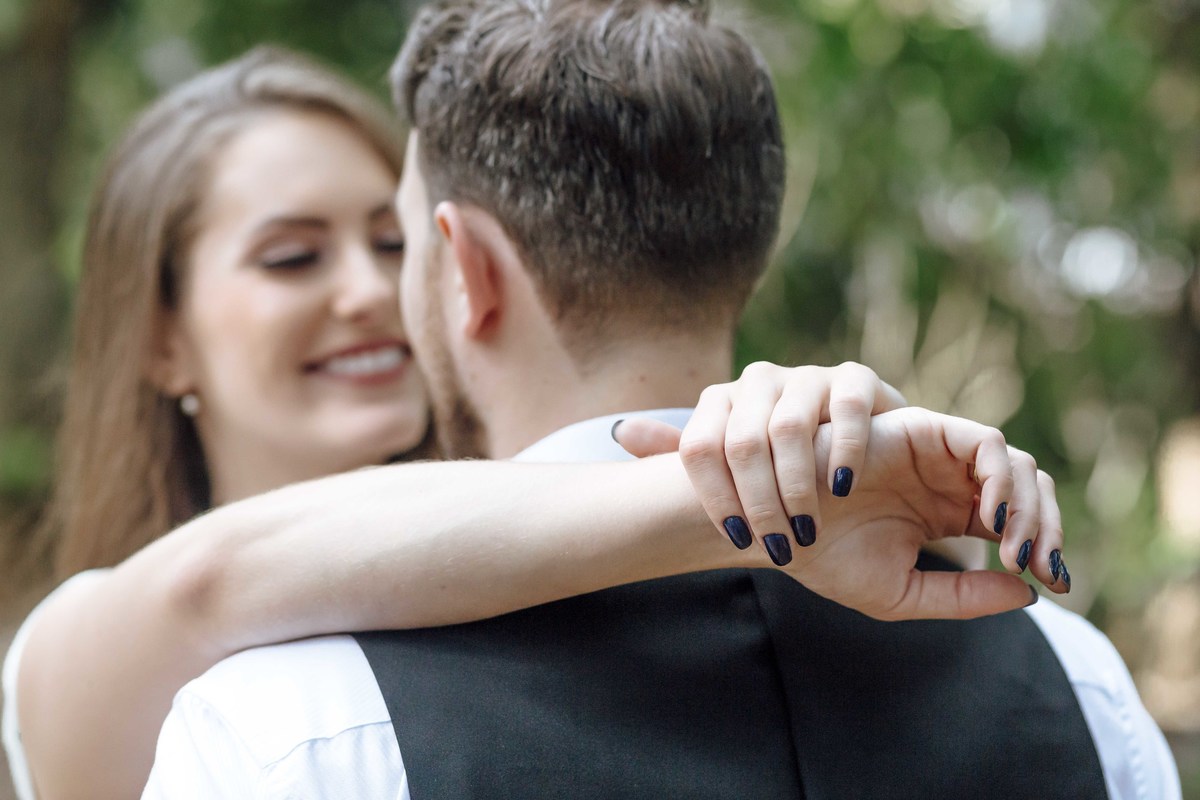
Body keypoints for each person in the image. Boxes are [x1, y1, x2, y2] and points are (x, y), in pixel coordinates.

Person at [140, 1, 1178, 798]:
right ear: (749, 245)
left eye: (400, 241)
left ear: (466, 270)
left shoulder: (296, 727)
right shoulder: (1078, 681)